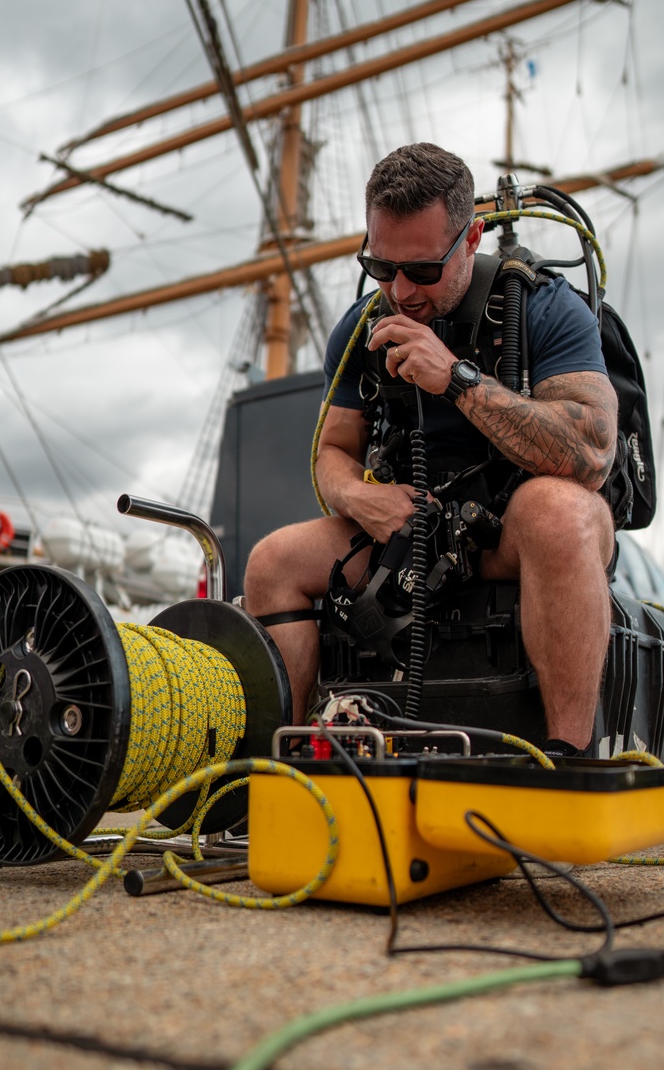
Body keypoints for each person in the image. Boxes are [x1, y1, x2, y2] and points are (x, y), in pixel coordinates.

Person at [244, 142, 618, 756]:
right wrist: (362, 498)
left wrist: (458, 380)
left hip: (507, 532)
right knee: (272, 561)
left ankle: (566, 764)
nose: (401, 291)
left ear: (470, 239)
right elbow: (332, 452)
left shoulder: (545, 308)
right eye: (381, 268)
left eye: (421, 271)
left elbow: (590, 452)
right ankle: (288, 763)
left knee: (560, 512)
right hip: (404, 535)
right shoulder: (362, 327)